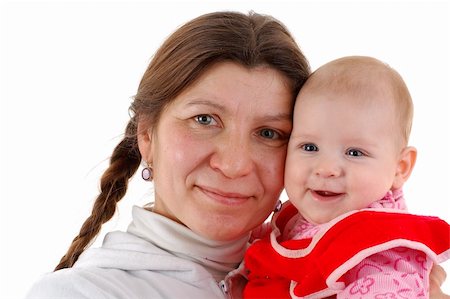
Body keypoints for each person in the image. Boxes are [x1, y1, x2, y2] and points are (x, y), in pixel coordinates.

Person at [24, 13, 448, 298]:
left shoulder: (356, 262)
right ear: (147, 136)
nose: (233, 164)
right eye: (204, 119)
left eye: (269, 132)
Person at [243, 56, 450, 298]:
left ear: (400, 168)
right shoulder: (301, 216)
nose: (326, 168)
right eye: (309, 147)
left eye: (354, 153)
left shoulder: (381, 247)